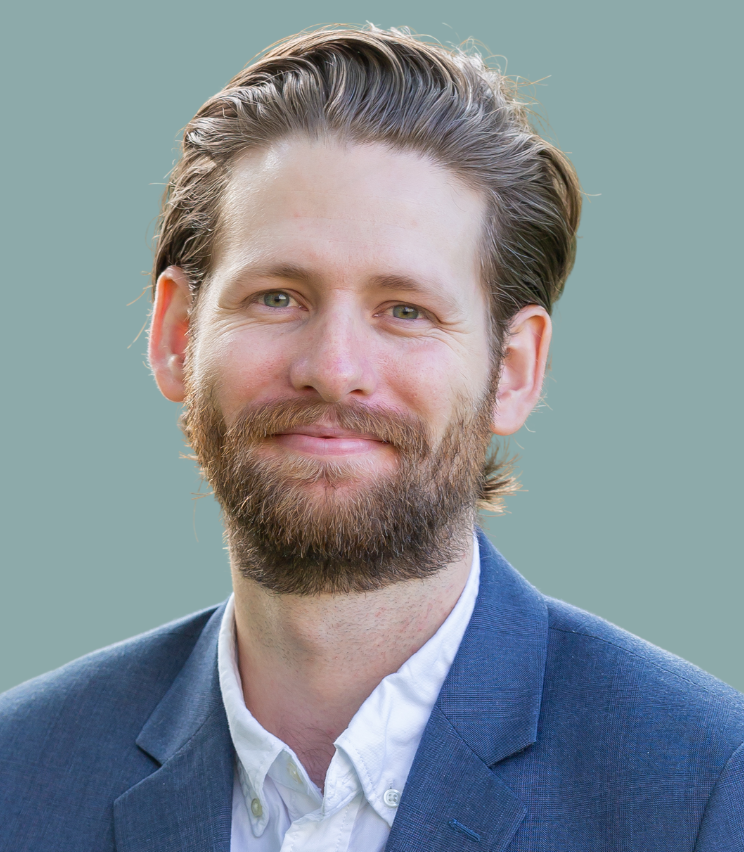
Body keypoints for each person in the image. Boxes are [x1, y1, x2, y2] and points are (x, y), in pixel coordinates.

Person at [1, 25, 742, 852]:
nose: (333, 367)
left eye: (406, 310)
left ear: (516, 370)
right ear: (176, 335)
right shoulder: (16, 773)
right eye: (278, 296)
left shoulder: (708, 787)